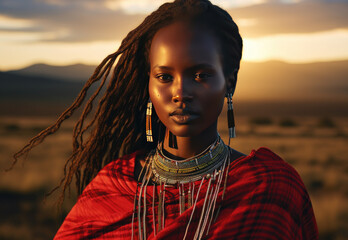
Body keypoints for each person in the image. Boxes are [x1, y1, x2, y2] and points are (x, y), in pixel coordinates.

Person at [13, 0, 318, 239]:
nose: (180, 92)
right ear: (149, 84)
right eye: (164, 76)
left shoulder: (270, 189)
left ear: (231, 81)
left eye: (200, 75)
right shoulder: (113, 186)